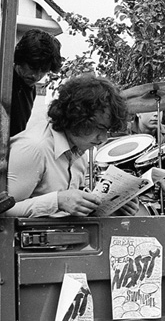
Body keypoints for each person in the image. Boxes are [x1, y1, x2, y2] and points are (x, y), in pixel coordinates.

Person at [6, 75, 139, 218]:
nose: (103, 138)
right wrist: (58, 201)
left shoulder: (78, 150)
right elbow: (4, 211)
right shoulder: (34, 148)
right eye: (99, 127)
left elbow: (70, 210)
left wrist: (111, 205)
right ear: (77, 117)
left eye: (107, 130)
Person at [9, 29, 62, 137]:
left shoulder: (29, 89)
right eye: (32, 67)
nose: (36, 76)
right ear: (20, 59)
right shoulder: (5, 78)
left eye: (43, 70)